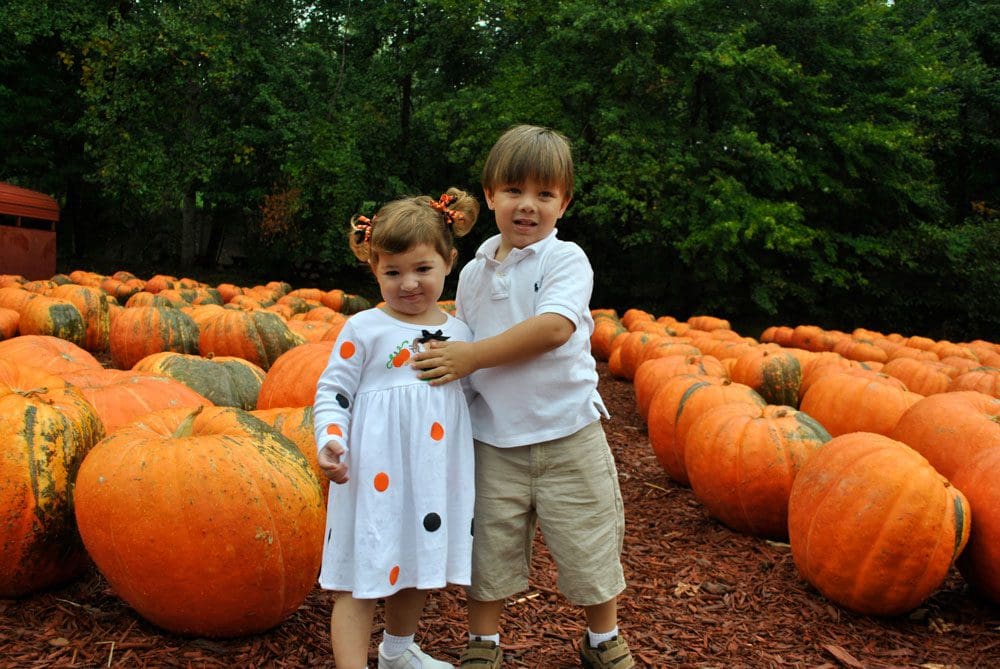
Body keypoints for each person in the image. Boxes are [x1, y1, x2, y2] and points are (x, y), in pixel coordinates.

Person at [411, 125, 634, 669]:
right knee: (489, 549)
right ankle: (483, 643)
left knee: (588, 542)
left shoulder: (566, 260)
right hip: (493, 440)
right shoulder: (472, 272)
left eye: (544, 194)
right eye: (513, 191)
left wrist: (472, 357)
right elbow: (458, 343)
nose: (527, 205)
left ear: (565, 203)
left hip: (568, 434)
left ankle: (601, 638)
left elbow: (554, 328)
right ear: (489, 196)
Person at [313, 188, 480, 669]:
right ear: (374, 269)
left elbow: (462, 403)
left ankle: (398, 651)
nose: (408, 283)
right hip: (372, 474)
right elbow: (334, 392)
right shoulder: (364, 329)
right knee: (363, 572)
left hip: (431, 475)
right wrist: (331, 440)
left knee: (416, 567)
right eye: (393, 272)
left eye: (422, 269)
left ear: (448, 261)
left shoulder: (462, 336)